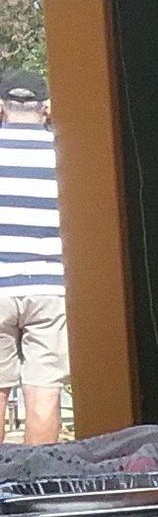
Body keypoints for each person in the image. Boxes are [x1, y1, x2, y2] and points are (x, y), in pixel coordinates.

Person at [0, 76, 66, 445]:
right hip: (48, 288)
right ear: (45, 109)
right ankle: (38, 488)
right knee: (44, 392)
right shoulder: (61, 152)